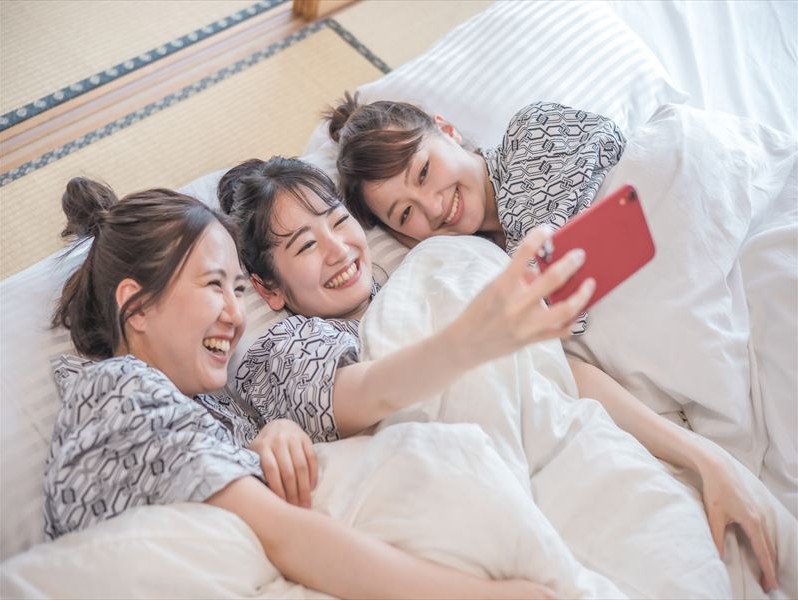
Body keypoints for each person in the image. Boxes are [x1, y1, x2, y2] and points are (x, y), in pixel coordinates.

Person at [219, 156, 779, 592]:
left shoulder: (438, 267)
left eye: (339, 222)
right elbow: (367, 395)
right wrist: (475, 338)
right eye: (306, 246)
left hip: (580, 458)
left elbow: (559, 377)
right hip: (475, 508)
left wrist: (706, 460)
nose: (338, 249)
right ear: (268, 289)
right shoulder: (280, 352)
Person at [45, 177, 557, 600]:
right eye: (213, 285)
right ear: (137, 308)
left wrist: (270, 440)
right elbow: (285, 537)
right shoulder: (115, 392)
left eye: (236, 288)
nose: (235, 315)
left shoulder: (208, 405)